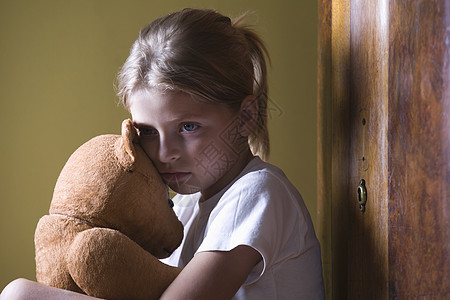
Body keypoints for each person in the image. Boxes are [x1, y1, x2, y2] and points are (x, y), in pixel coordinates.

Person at [1, 8, 324, 299]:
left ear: (245, 118)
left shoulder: (257, 193)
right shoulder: (182, 209)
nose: (164, 153)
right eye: (148, 132)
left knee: (20, 295)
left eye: (188, 127)